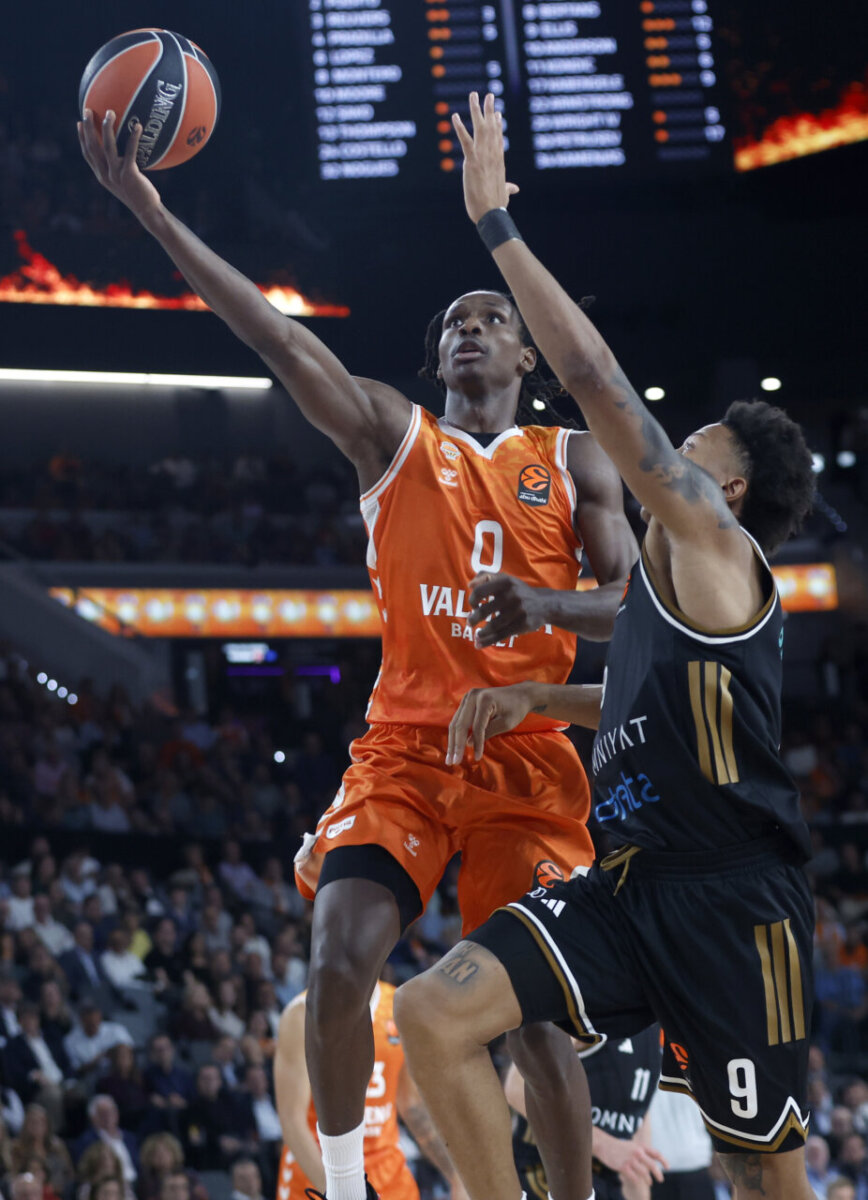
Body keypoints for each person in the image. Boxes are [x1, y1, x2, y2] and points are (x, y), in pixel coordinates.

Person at [78, 105, 638, 1200]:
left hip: (529, 762)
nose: (470, 329)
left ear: (528, 349)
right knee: (337, 962)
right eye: (454, 322)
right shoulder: (392, 434)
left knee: (535, 1035)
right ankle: (341, 1188)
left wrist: (541, 604)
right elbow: (275, 337)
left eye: (491, 318)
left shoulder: (575, 461)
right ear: (436, 355)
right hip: (407, 747)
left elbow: (637, 613)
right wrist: (151, 211)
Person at [393, 93, 817, 1200]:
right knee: (433, 1014)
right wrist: (538, 704)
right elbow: (635, 706)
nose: (669, 445)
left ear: (720, 488)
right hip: (626, 887)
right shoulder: (657, 603)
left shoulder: (714, 546)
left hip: (733, 902)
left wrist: (495, 222)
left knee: (757, 1171)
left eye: (692, 444)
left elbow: (592, 381)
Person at [274, 982, 465, 1200]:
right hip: (319, 1174)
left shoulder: (398, 1006)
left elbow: (411, 1105)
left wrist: (456, 1176)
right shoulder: (302, 1014)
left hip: (388, 1176)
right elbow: (292, 1122)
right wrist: (342, 1193)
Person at [505, 1029, 665, 1200]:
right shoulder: (595, 1010)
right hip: (545, 1173)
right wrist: (602, 1144)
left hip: (608, 1182)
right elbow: (515, 1088)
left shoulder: (654, 1028)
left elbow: (637, 1126)